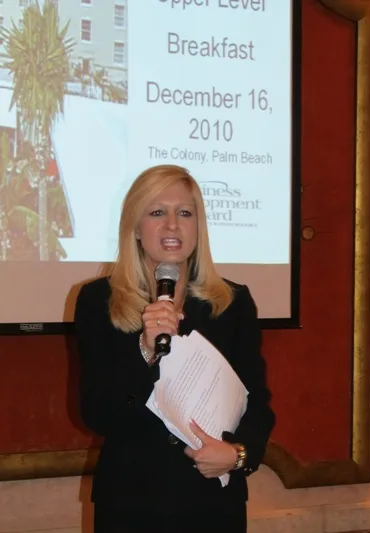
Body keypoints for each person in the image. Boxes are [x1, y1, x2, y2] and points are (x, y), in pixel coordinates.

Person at [74, 164, 275, 533]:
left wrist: (237, 454)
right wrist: (145, 351)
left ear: (198, 226)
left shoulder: (232, 303)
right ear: (135, 228)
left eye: (184, 213)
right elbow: (97, 413)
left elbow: (258, 404)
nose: (172, 225)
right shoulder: (98, 301)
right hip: (131, 503)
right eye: (156, 213)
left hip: (213, 501)